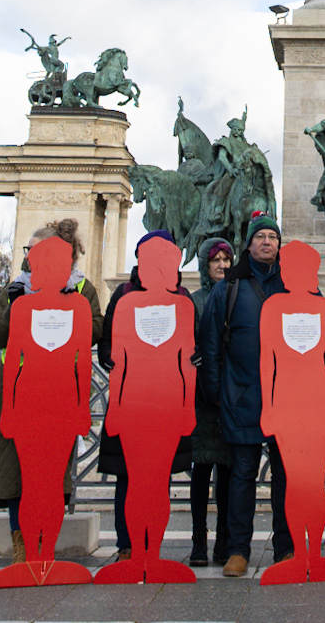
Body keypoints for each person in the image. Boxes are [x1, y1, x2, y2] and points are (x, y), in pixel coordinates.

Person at [0, 219, 104, 563]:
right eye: (28, 250)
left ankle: (46, 545)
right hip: (19, 393)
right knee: (15, 472)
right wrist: (18, 307)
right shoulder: (14, 289)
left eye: (35, 249)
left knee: (53, 473)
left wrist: (65, 308)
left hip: (60, 392)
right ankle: (22, 546)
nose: (29, 256)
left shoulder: (82, 290)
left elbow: (96, 328)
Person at [202, 210, 292, 576]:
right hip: (241, 395)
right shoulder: (229, 288)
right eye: (260, 237)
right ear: (249, 244)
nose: (267, 242)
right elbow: (210, 345)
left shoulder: (293, 285)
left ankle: (284, 547)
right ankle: (239, 549)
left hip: (285, 398)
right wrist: (215, 394)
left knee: (286, 476)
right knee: (242, 476)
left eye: (272, 236)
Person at [96, 230, 194, 564]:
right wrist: (108, 356)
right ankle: (127, 544)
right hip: (133, 400)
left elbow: (189, 348)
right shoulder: (123, 296)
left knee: (159, 477)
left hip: (165, 400)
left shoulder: (183, 298)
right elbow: (108, 340)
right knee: (127, 476)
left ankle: (152, 545)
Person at [186, 238, 234, 567]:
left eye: (226, 260)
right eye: (215, 260)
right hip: (202, 400)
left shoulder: (238, 296)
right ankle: (199, 539)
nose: (221, 265)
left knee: (229, 477)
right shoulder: (194, 301)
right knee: (201, 474)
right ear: (205, 264)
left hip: (231, 398)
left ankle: (224, 540)